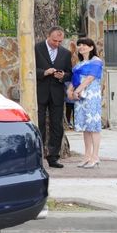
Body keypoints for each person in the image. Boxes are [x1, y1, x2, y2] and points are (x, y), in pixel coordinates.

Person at [34, 26, 72, 168]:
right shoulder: (36, 48)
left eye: (60, 41)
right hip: (40, 92)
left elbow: (70, 73)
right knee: (40, 124)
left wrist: (63, 76)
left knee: (57, 126)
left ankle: (53, 157)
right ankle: (38, 156)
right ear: (48, 36)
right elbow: (29, 68)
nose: (57, 44)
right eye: (55, 40)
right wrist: (44, 72)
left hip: (57, 94)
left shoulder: (66, 53)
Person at [69, 37, 104, 168]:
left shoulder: (96, 61)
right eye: (79, 45)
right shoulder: (78, 64)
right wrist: (70, 91)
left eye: (84, 45)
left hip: (91, 96)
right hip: (80, 98)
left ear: (91, 47)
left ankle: (95, 156)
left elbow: (90, 78)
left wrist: (77, 90)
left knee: (93, 126)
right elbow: (74, 80)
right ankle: (87, 156)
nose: (81, 47)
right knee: (85, 127)